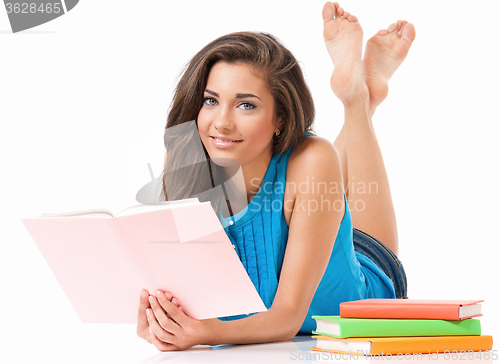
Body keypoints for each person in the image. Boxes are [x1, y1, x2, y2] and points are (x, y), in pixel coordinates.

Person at [136, 1, 416, 351]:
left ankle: (357, 99)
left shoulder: (313, 159)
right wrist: (163, 320)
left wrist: (207, 334)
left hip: (357, 296)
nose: (221, 122)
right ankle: (360, 94)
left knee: (357, 219)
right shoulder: (188, 161)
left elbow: (288, 316)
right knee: (321, 175)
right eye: (211, 101)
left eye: (246, 104)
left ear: (280, 117)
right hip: (311, 227)